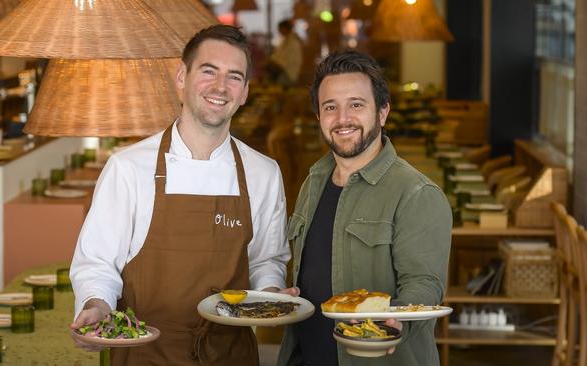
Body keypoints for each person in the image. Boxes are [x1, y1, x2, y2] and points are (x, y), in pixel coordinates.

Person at [69, 25, 292, 365]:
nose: (220, 87)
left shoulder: (263, 172)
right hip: (145, 353)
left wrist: (272, 295)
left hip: (230, 354)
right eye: (208, 71)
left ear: (245, 92)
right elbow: (97, 264)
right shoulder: (127, 167)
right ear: (181, 78)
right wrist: (96, 306)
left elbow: (266, 260)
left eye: (234, 77)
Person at [277, 51, 452, 365]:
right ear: (319, 116)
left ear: (382, 113)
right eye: (330, 107)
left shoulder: (416, 193)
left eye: (356, 105)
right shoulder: (313, 182)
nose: (343, 118)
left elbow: (425, 285)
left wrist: (394, 323)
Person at [268, 19, 303, 87]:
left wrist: (275, 63)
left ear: (285, 28)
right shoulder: (286, 41)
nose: (279, 31)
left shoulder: (293, 42)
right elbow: (277, 56)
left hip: (288, 74)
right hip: (283, 72)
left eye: (280, 29)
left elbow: (291, 61)